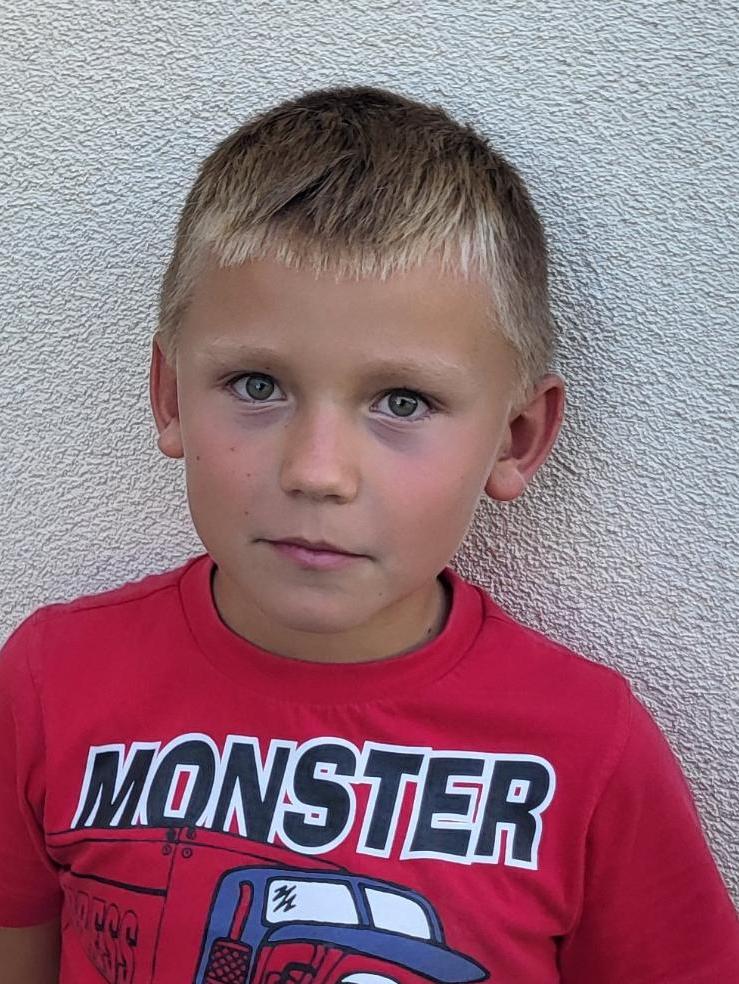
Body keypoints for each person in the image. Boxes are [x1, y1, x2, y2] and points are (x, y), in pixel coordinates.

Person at [0, 84, 736, 984]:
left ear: (515, 439)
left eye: (403, 402)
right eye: (257, 385)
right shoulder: (50, 683)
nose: (317, 471)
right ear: (170, 396)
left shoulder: (588, 748)